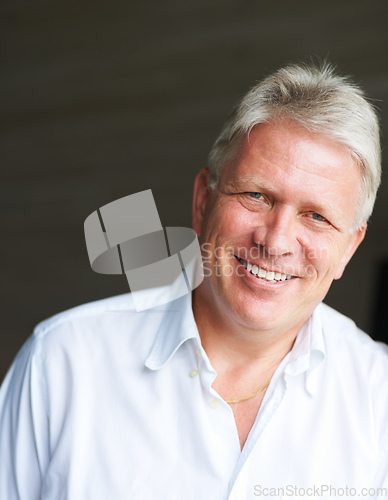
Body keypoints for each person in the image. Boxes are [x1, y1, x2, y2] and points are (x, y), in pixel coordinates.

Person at [0, 62, 387, 500]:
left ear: (350, 248)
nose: (275, 241)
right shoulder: (61, 362)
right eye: (256, 195)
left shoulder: (379, 399)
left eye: (316, 217)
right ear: (203, 201)